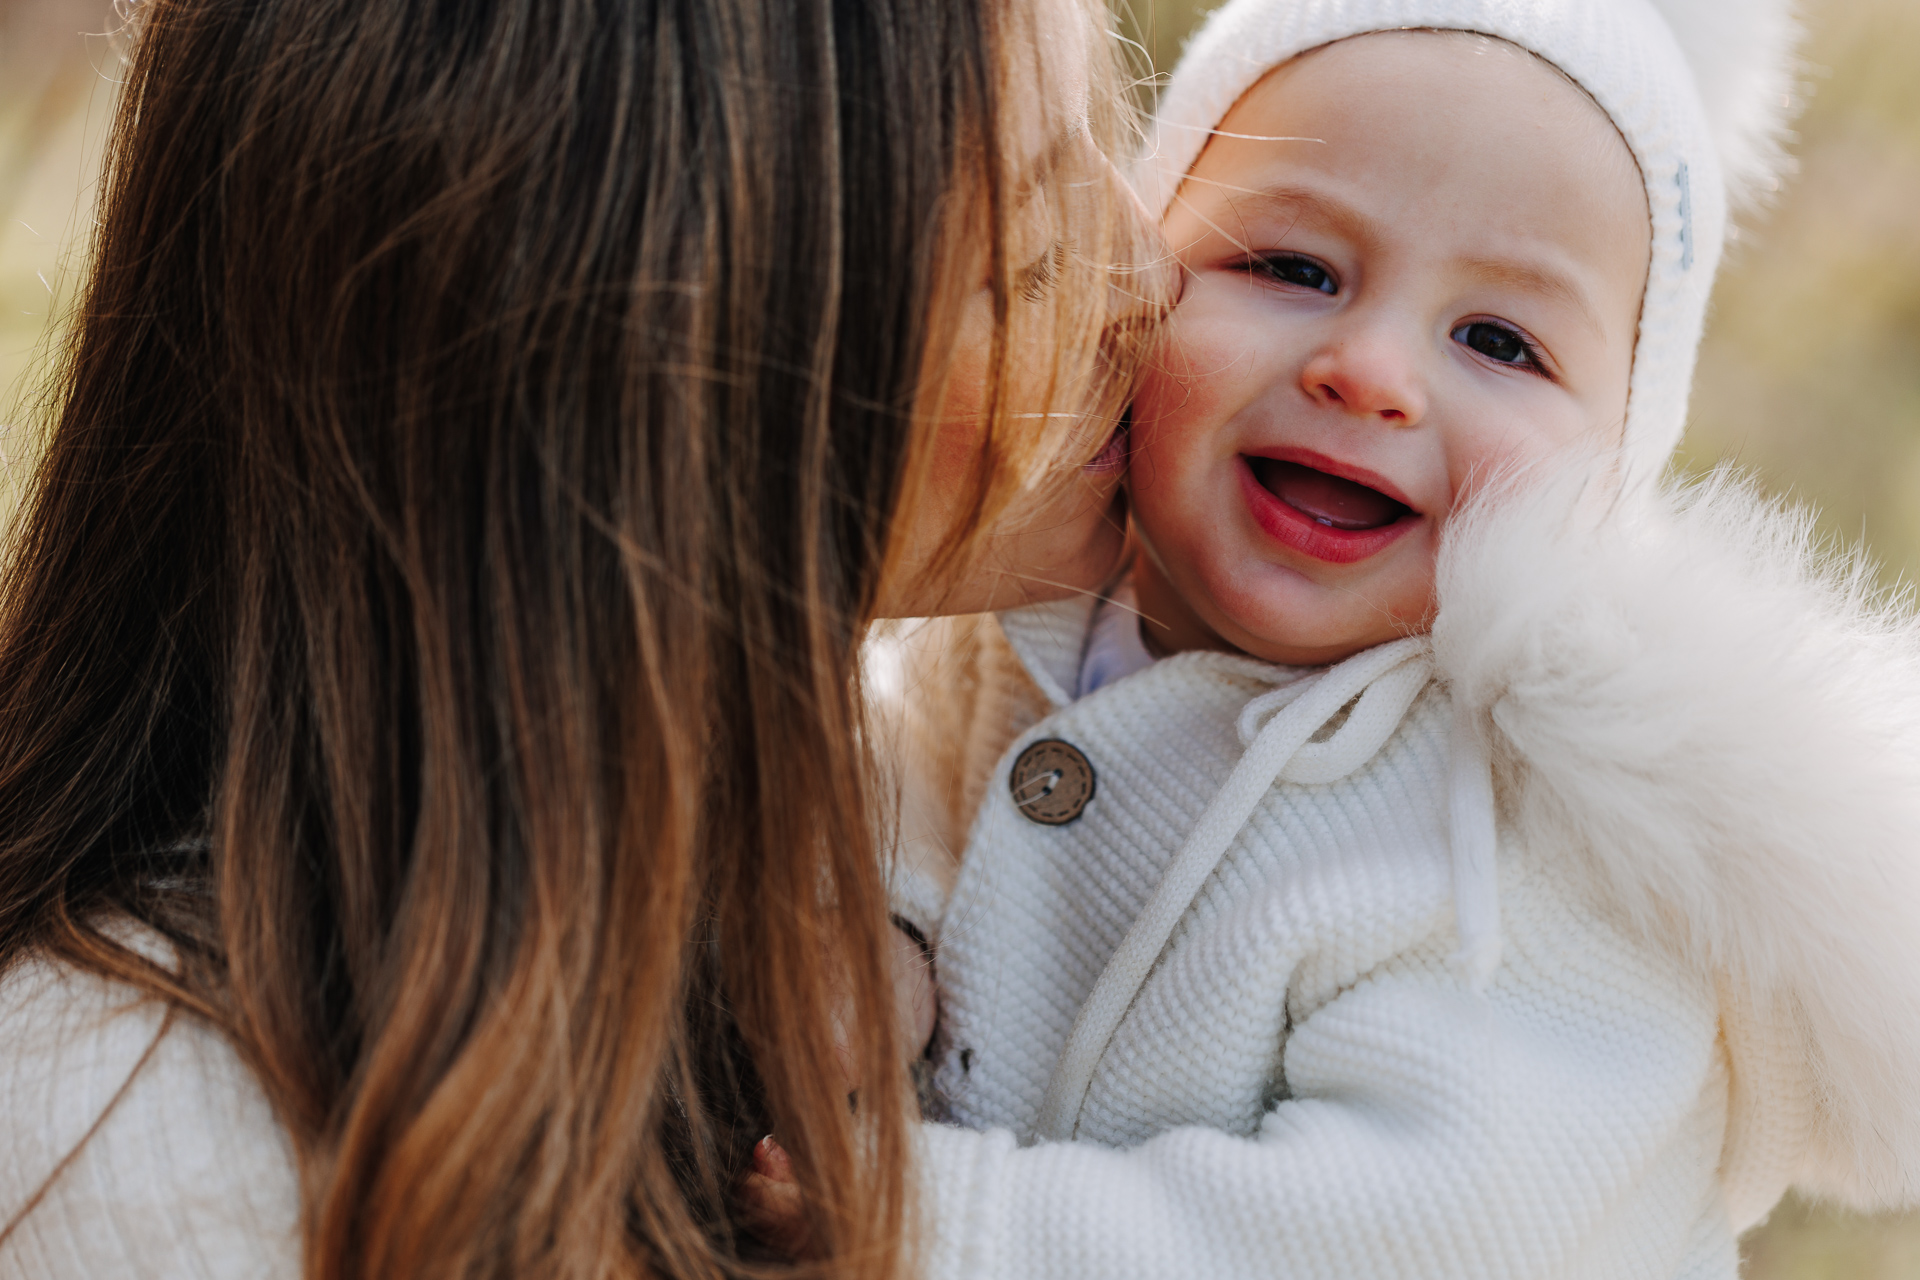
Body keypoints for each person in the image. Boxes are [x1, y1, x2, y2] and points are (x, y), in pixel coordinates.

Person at [0, 0, 1160, 1276]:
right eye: (1038, 259)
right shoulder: (154, 1147)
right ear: (677, 407)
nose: (1155, 278)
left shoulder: (913, 786)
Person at [848, 0, 1920, 1276]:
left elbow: (1409, 1230)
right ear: (1133, 283)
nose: (1370, 371)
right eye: (1293, 267)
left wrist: (923, 1223)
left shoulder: (1529, 843)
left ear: (1616, 462)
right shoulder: (1016, 620)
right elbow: (876, 773)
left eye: (1499, 341)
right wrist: (880, 932)